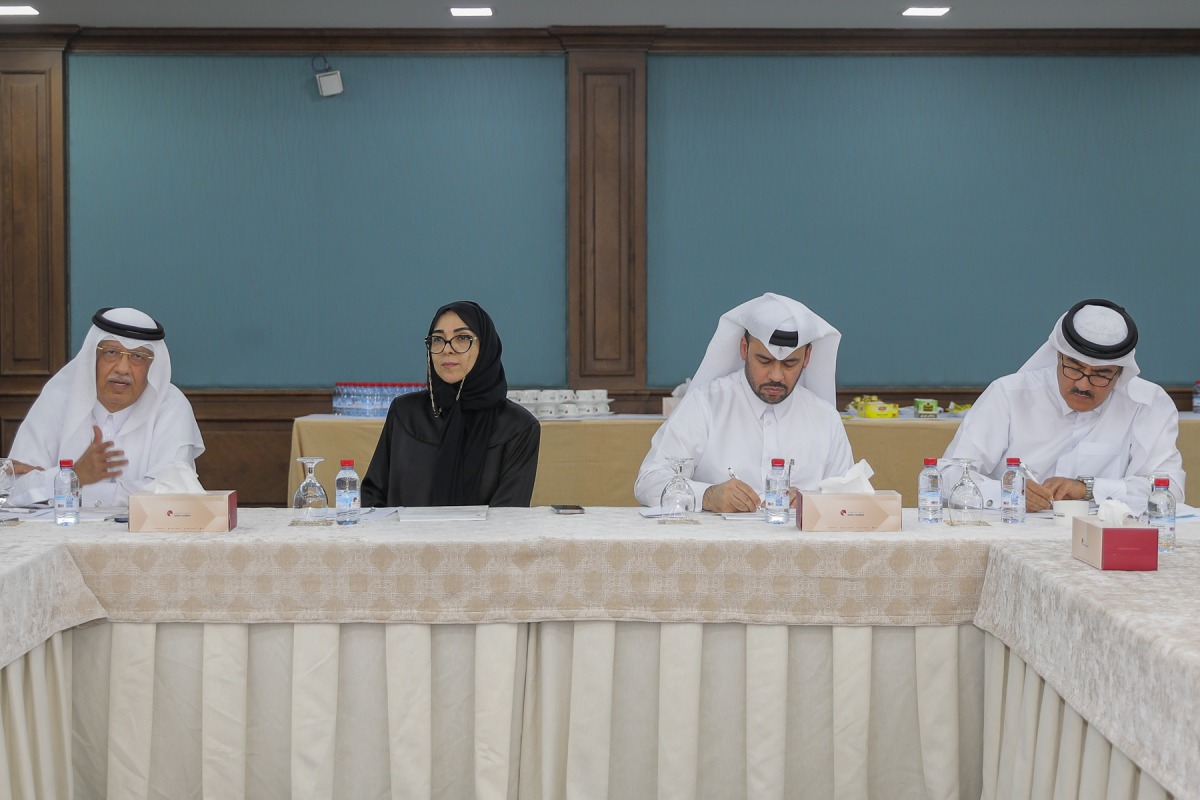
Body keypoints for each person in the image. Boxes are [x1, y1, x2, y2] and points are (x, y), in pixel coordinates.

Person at [942, 298, 1185, 513]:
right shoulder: (1009, 394)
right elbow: (947, 476)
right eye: (1075, 368)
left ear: (1120, 374)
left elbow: (1169, 490)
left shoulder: (1148, 404)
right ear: (1058, 357)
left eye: (1101, 374)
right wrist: (1008, 494)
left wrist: (1088, 489)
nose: (1083, 384)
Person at [634, 293, 853, 512]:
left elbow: (852, 496)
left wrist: (813, 501)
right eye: (764, 361)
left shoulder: (825, 417)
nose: (776, 376)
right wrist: (707, 496)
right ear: (744, 349)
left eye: (789, 364)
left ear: (807, 358)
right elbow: (648, 481)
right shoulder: (706, 404)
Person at [7, 307, 204, 508]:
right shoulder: (57, 399)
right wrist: (76, 476)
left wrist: (70, 482)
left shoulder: (171, 407)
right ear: (93, 358)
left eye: (138, 357)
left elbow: (174, 494)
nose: (122, 368)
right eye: (111, 353)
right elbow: (11, 488)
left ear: (152, 366)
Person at [362, 300, 540, 507]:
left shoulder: (518, 426)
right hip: (402, 538)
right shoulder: (405, 412)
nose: (447, 349)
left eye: (462, 338)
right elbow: (372, 496)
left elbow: (509, 514)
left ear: (486, 347)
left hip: (481, 539)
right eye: (438, 339)